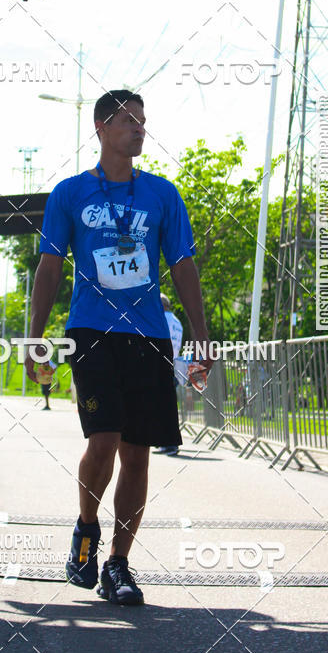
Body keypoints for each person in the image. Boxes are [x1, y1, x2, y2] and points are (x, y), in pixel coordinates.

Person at [25, 89, 214, 606]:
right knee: (103, 437)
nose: (140, 129)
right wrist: (35, 334)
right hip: (92, 329)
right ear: (102, 127)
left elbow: (182, 266)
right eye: (130, 121)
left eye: (144, 121)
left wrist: (199, 334)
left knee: (138, 452)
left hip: (149, 333)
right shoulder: (69, 193)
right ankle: (86, 531)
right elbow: (50, 265)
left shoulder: (161, 194)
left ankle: (118, 564)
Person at [156, 293, 185, 456]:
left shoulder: (161, 319)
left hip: (161, 363)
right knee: (167, 404)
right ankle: (165, 441)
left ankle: (169, 443)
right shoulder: (177, 321)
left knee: (162, 406)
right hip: (174, 363)